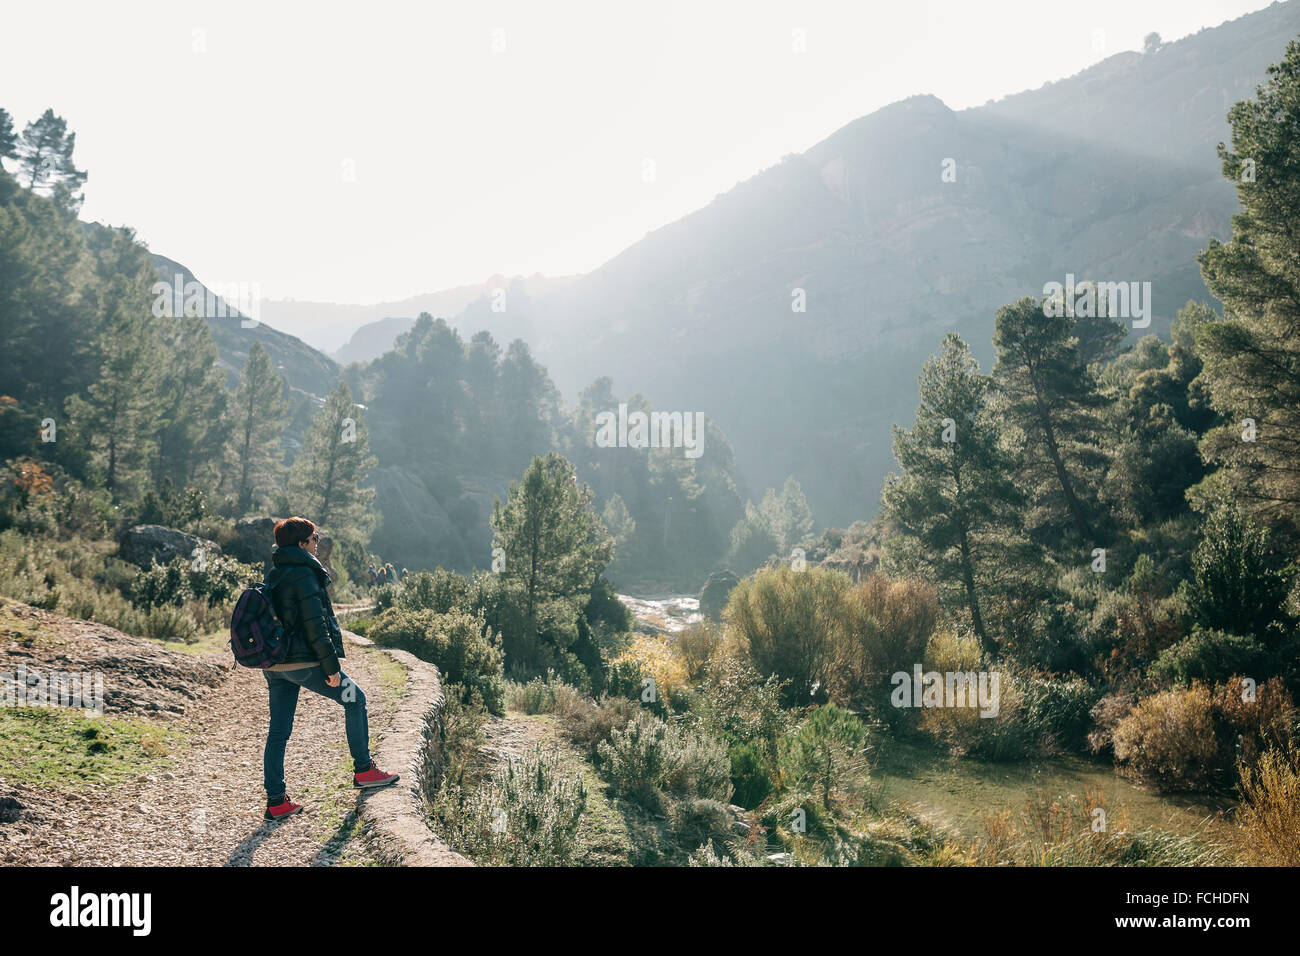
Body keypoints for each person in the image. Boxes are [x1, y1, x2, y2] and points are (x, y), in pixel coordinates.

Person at [261, 516, 399, 821]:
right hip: (305, 664)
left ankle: (276, 801)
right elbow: (316, 627)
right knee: (356, 699)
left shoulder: (274, 574)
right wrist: (331, 667)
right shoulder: (305, 575)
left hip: (274, 666)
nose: (317, 542)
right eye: (314, 538)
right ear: (301, 544)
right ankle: (364, 770)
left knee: (279, 731)